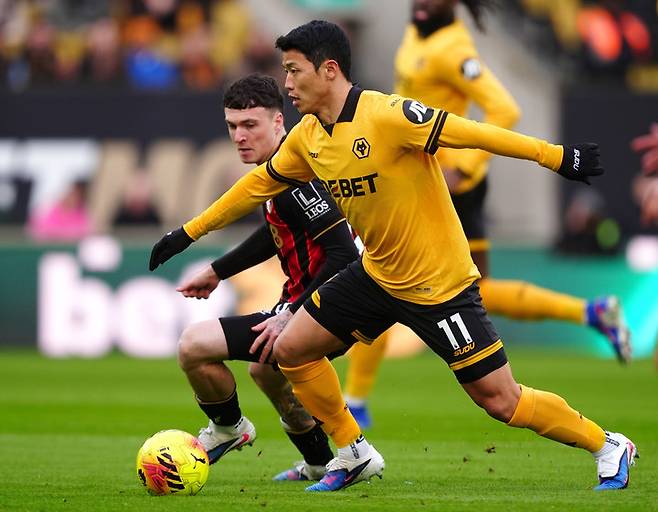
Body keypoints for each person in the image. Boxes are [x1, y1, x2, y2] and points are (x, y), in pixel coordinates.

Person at [150, 20, 637, 493]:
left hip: (439, 286)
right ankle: (353, 452)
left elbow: (471, 132)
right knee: (290, 348)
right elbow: (257, 186)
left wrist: (554, 156)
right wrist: (187, 233)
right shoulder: (307, 137)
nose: (287, 84)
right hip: (377, 275)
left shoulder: (388, 115)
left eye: (294, 71)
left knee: (500, 400)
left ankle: (608, 444)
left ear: (329, 70)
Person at [343, 0, 632, 427]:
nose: (422, 2)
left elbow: (505, 108)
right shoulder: (415, 35)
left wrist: (466, 166)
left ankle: (355, 399)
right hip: (417, 177)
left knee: (387, 275)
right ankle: (590, 312)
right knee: (472, 287)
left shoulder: (454, 49)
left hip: (446, 188)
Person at [170, 73, 360, 481]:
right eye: (232, 126)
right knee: (267, 372)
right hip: (313, 299)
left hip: (328, 303)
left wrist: (291, 312)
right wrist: (218, 271)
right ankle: (318, 462)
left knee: (193, 346)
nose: (239, 136)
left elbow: (344, 252)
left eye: (250, 125)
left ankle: (227, 429)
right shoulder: (278, 172)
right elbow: (277, 231)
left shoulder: (296, 179)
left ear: (278, 122)